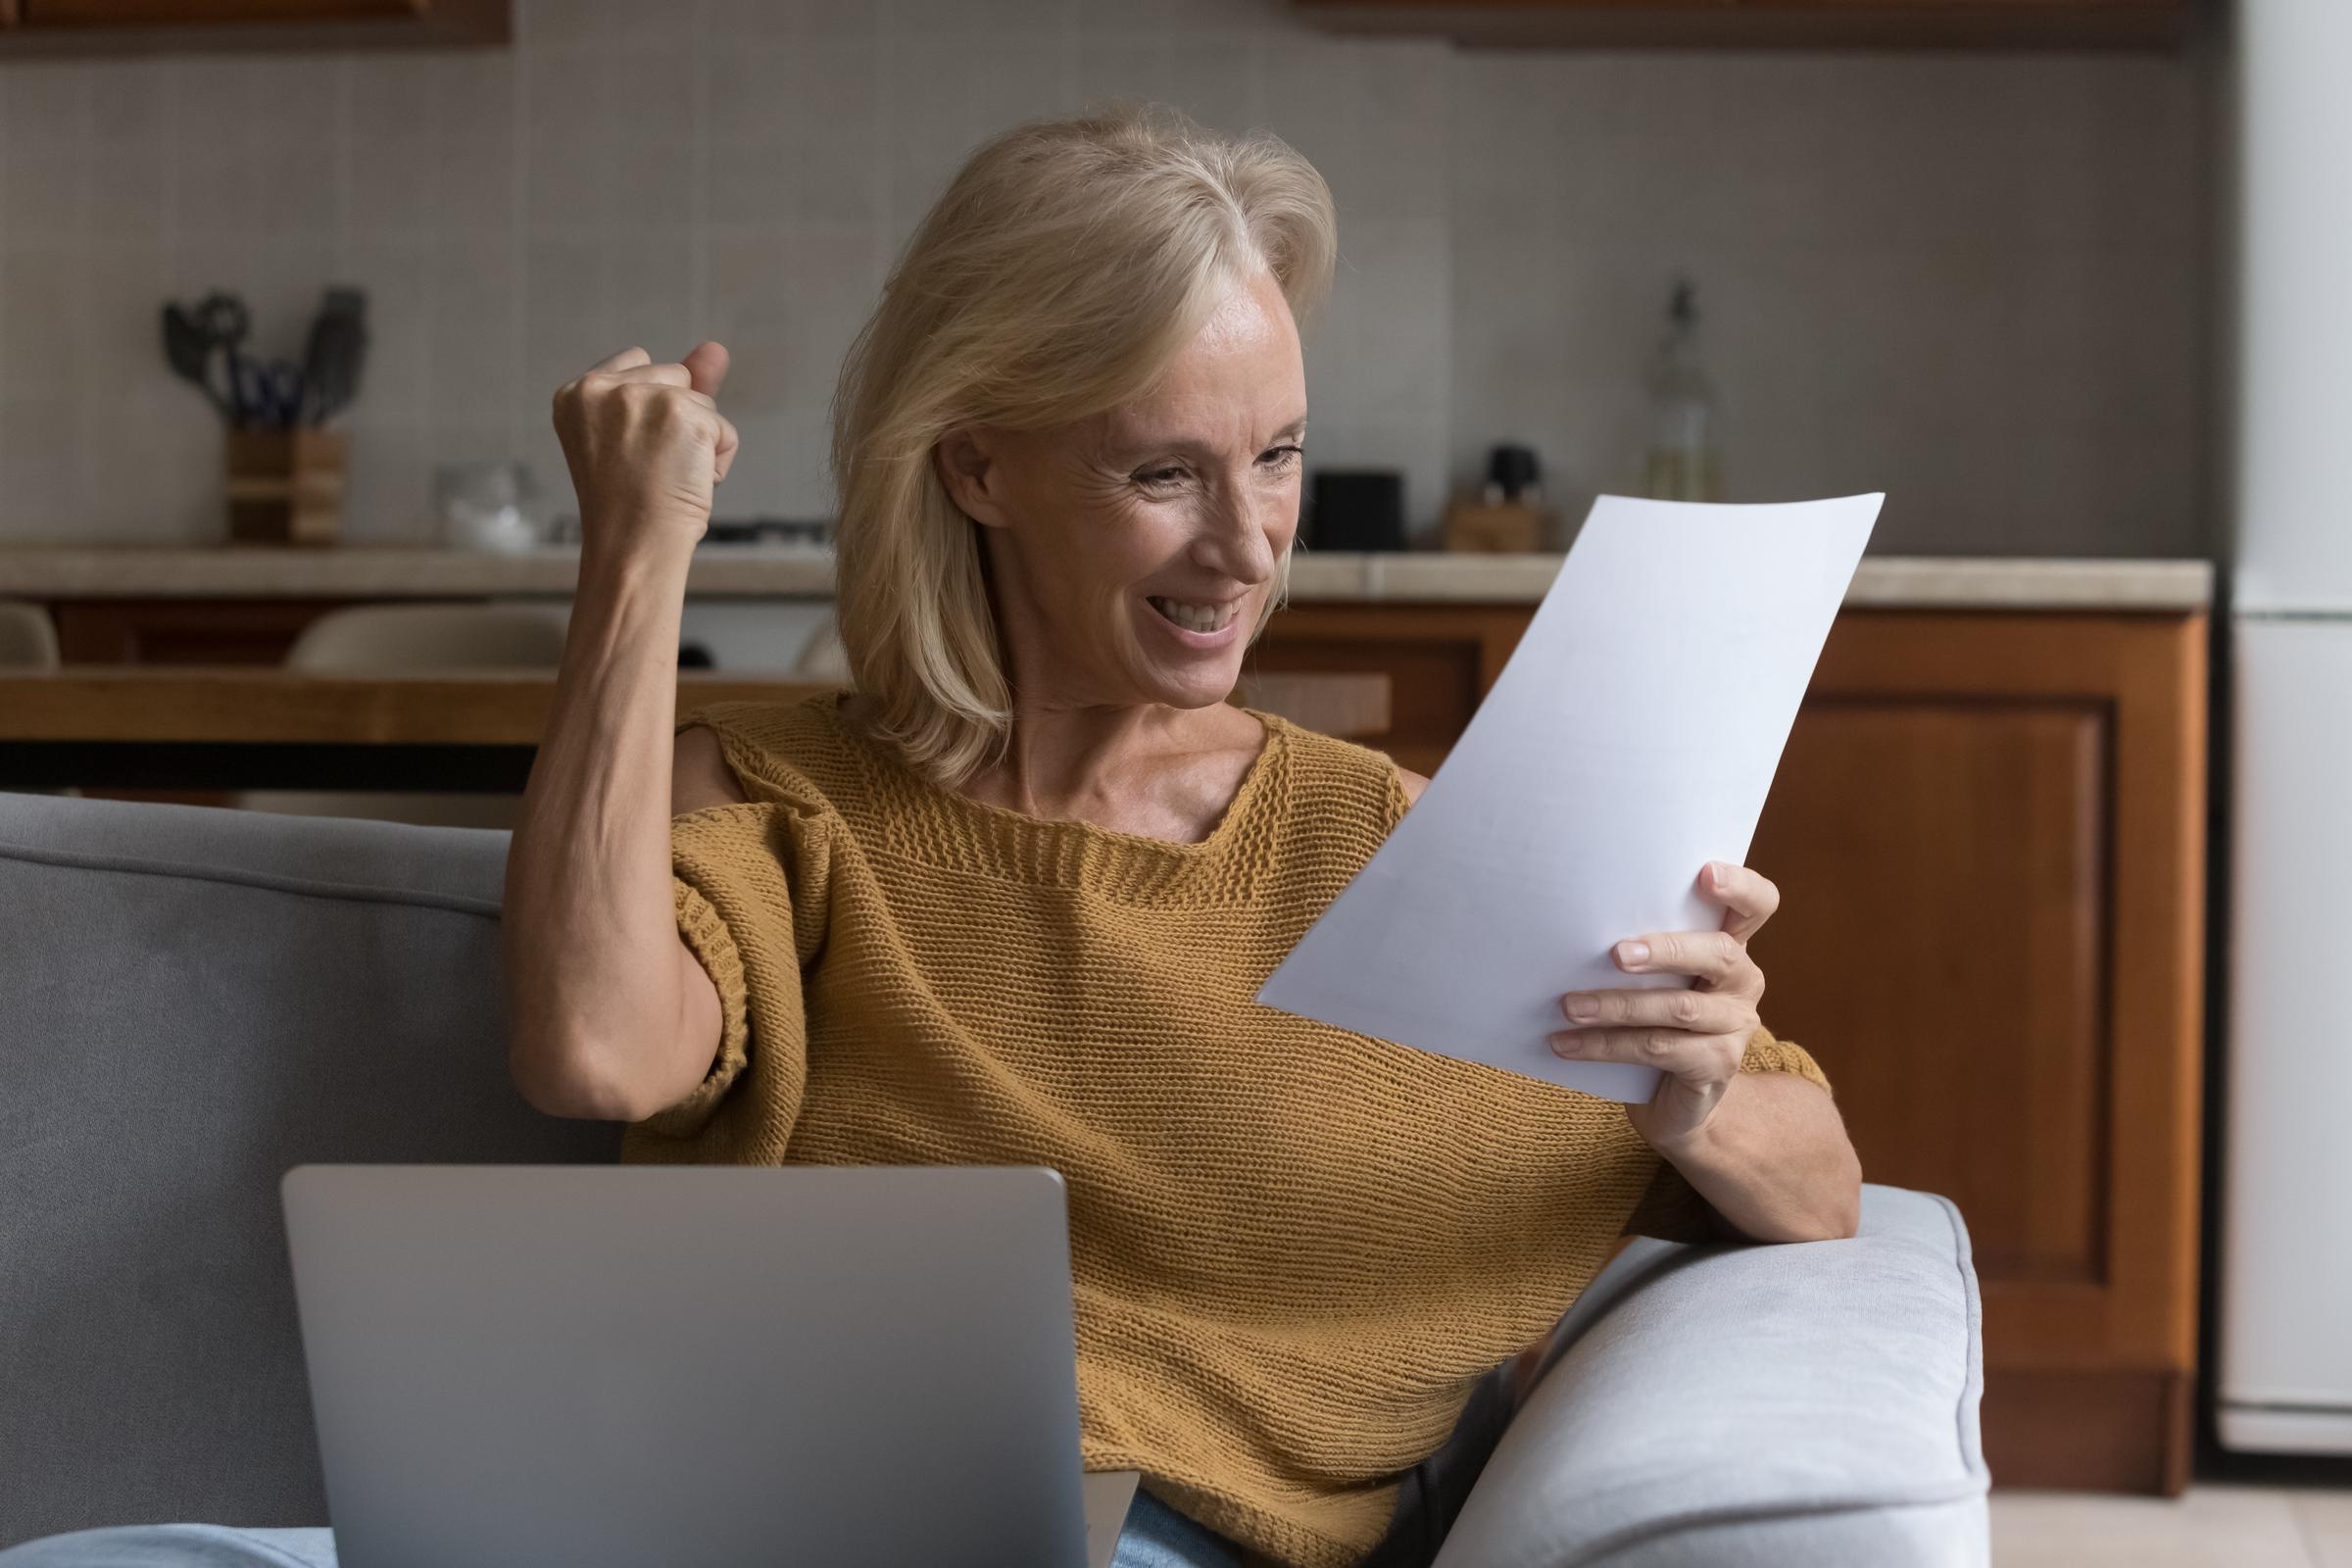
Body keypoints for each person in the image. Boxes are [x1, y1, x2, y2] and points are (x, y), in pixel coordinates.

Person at [0, 105, 1858, 1568]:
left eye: (1276, 456)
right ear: (977, 465)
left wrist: (1696, 1083)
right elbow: (587, 1046)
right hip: (684, 1524)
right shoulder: (789, 800)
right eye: (1164, 473)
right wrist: (635, 561)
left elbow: (1824, 1183)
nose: (1246, 547)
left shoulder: (1399, 844)